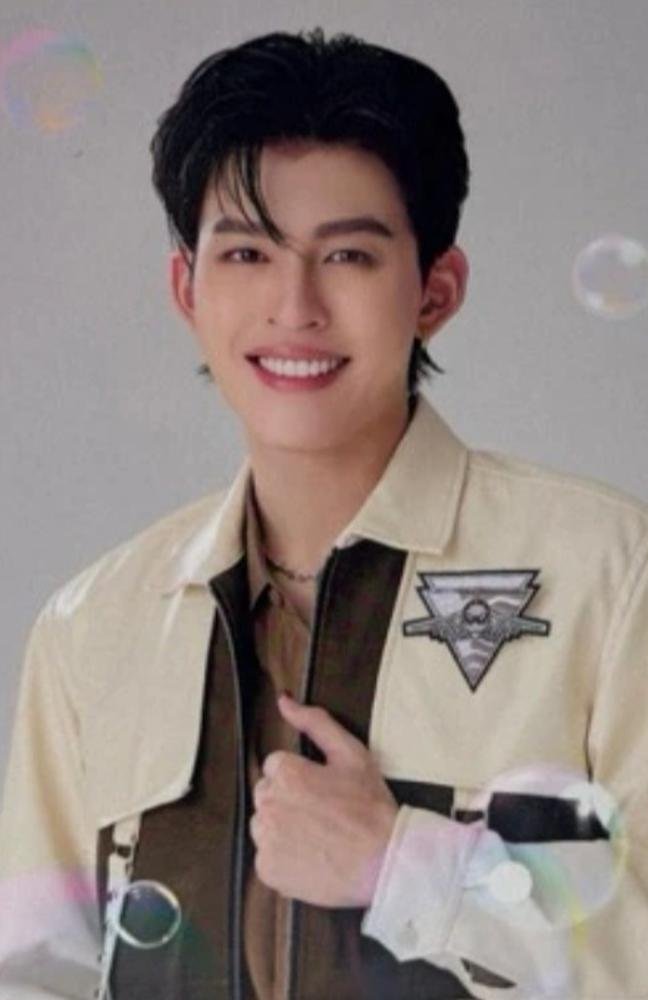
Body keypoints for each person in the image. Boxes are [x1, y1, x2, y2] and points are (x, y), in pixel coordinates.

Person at [1, 24, 647, 1000]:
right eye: (247, 253)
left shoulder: (607, 572)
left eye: (347, 254)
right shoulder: (90, 628)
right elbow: (33, 977)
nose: (295, 305)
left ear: (436, 290)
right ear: (187, 289)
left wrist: (404, 864)